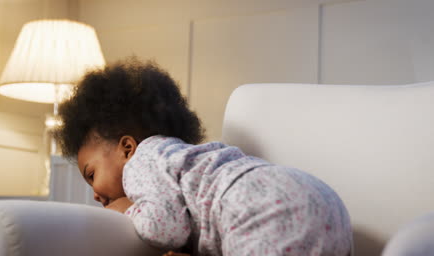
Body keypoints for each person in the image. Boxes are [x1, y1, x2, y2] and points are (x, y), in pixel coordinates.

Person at [55, 57, 353, 256]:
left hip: (263, 209)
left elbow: (165, 228)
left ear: (127, 148)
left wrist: (125, 210)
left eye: (91, 174)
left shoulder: (143, 161)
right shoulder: (180, 162)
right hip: (321, 201)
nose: (94, 194)